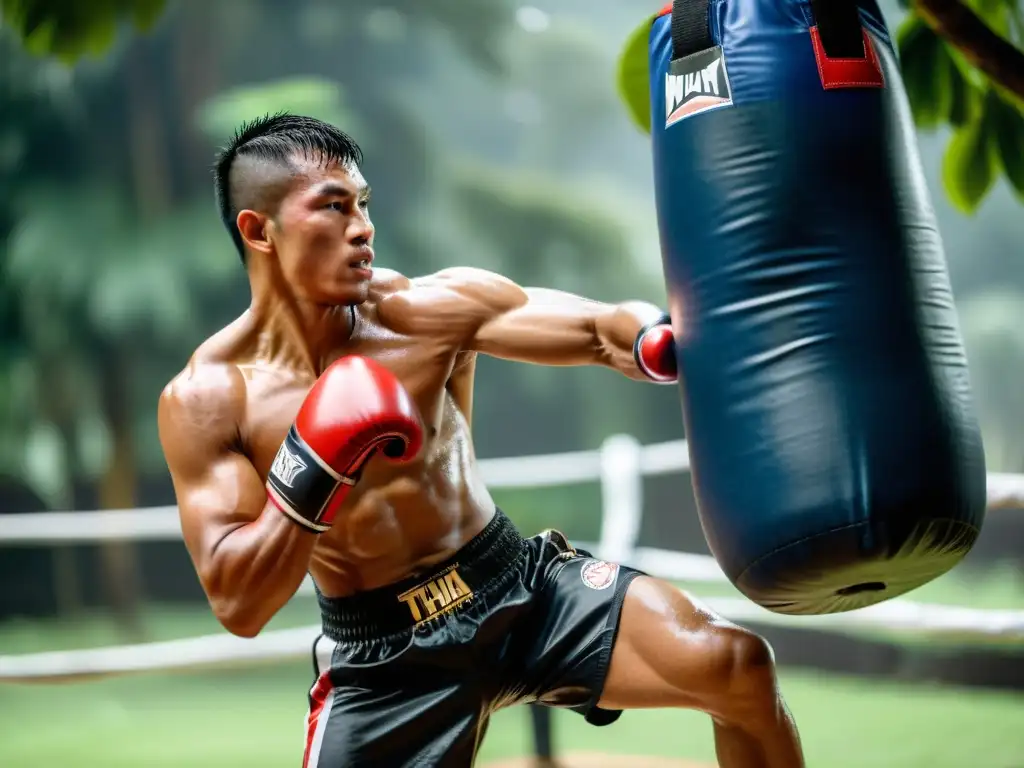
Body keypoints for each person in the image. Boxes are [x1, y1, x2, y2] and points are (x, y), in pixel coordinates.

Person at [158, 113, 805, 768]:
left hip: (520, 589)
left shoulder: (418, 314)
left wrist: (653, 343)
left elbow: (596, 327)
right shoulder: (209, 400)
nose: (363, 228)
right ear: (257, 230)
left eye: (363, 204)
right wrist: (314, 464)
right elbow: (238, 603)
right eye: (334, 207)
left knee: (736, 665)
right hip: (387, 660)